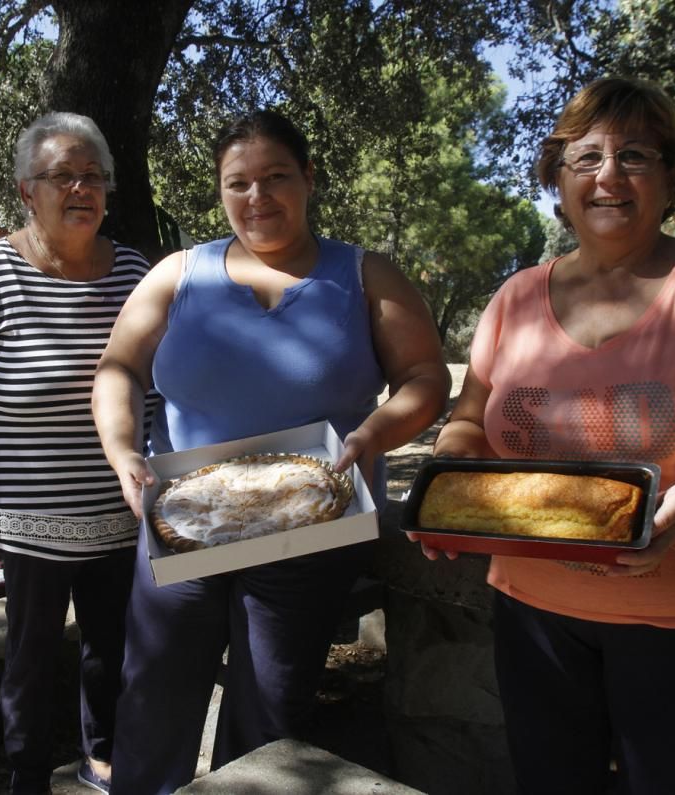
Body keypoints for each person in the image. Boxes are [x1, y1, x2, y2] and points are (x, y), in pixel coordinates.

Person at [424, 77, 675, 793]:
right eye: (584, 158)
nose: (608, 176)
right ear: (556, 179)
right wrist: (450, 480)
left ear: (670, 176)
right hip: (535, 607)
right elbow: (468, 419)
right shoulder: (514, 298)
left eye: (636, 156)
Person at [92, 109, 450, 795]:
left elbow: (425, 379)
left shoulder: (367, 275)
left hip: (311, 525)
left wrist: (376, 432)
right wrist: (121, 451)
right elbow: (119, 368)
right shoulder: (178, 273)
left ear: (309, 177)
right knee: (153, 698)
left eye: (276, 177)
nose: (258, 198)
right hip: (183, 519)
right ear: (221, 191)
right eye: (239, 183)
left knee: (270, 708)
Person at [0, 112, 158, 795]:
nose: (81, 188)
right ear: (26, 191)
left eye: (93, 176)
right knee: (30, 658)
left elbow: (159, 385)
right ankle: (25, 774)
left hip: (121, 513)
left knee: (113, 652)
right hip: (29, 520)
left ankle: (101, 759)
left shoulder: (133, 269)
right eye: (62, 176)